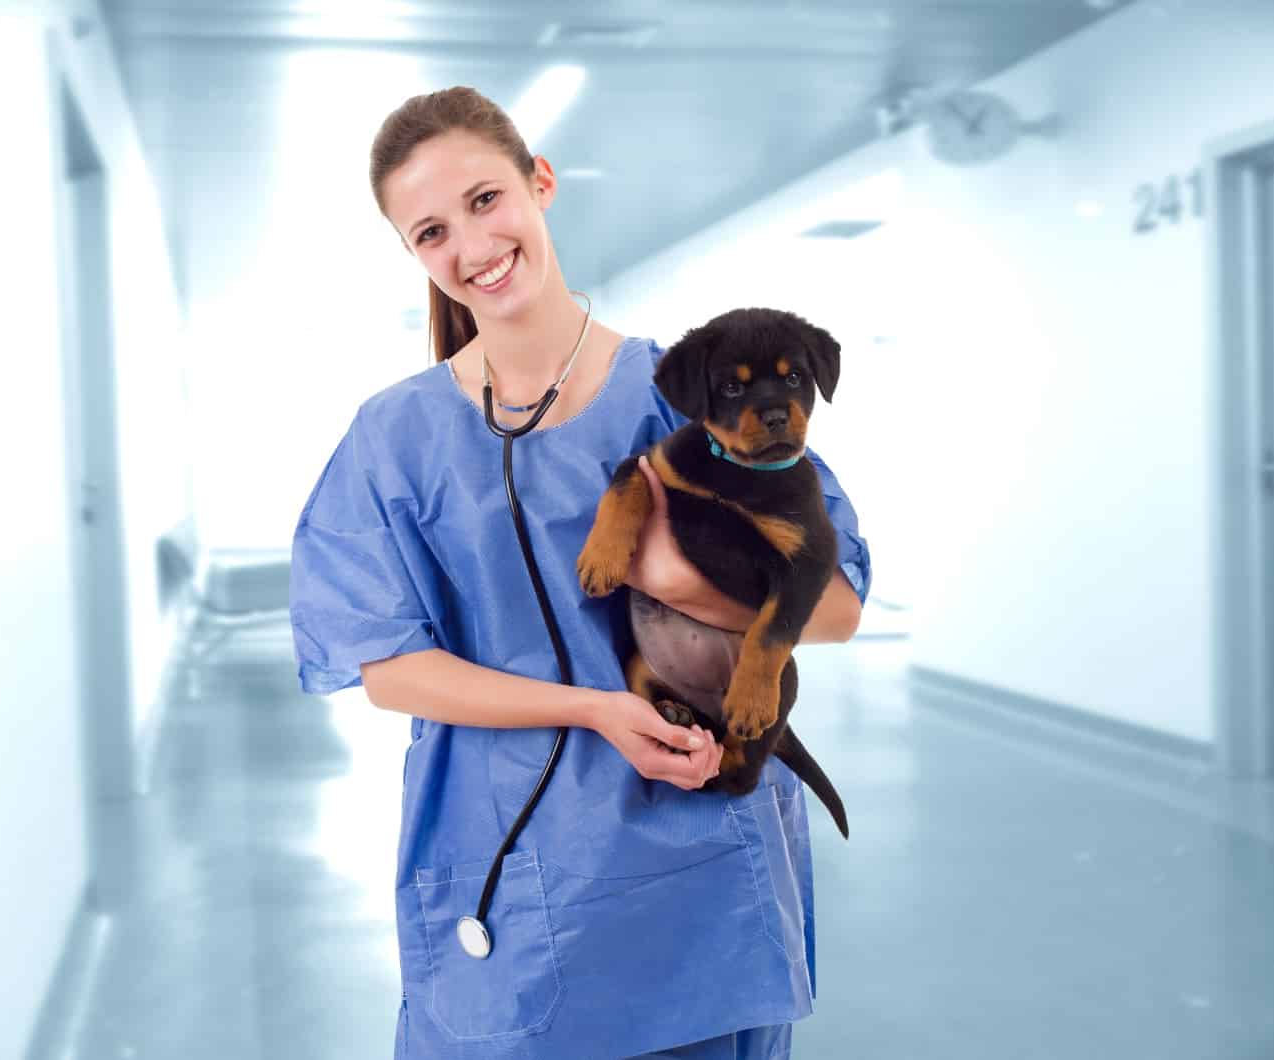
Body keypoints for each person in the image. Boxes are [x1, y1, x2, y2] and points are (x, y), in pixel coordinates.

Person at [289, 85, 872, 1060]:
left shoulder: (685, 391)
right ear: (413, 254)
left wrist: (679, 581)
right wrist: (592, 708)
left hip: (701, 875)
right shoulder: (394, 436)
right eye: (431, 230)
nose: (470, 246)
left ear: (539, 183)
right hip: (503, 865)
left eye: (485, 200)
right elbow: (384, 665)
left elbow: (840, 605)